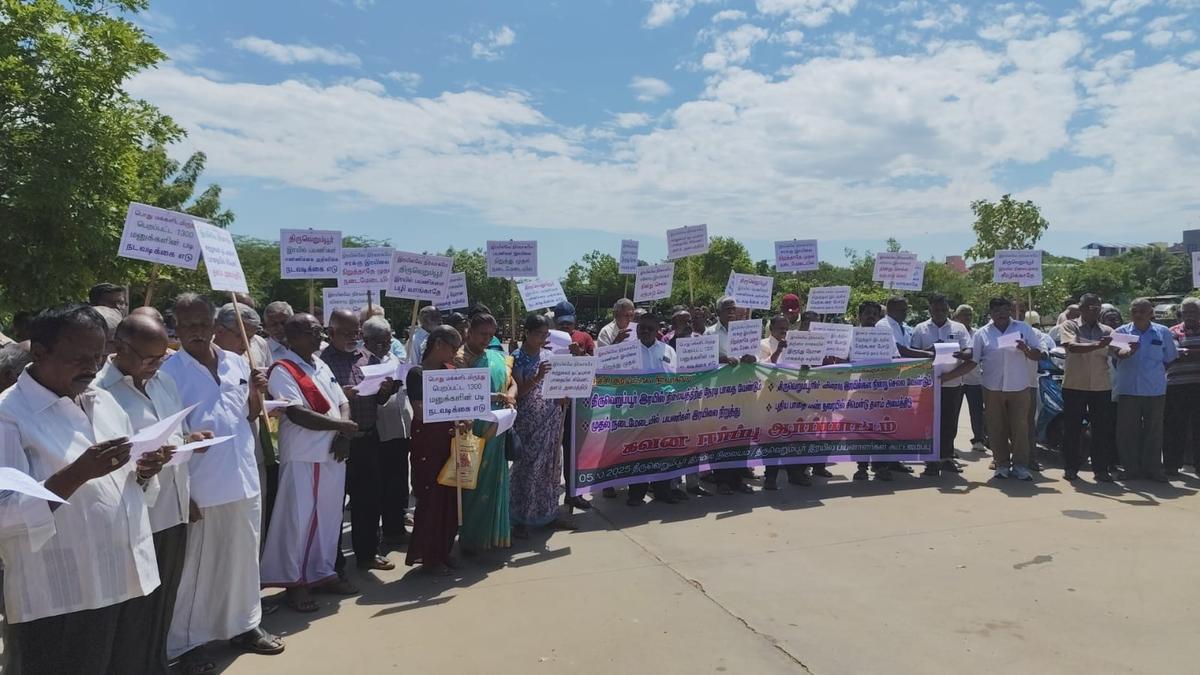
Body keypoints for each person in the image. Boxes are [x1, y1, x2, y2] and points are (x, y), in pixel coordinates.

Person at [0, 304, 169, 674]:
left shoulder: (103, 400)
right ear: (40, 352)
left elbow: (122, 486)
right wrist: (77, 473)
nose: (93, 368)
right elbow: (4, 515)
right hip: (61, 594)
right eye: (79, 358)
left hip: (124, 577)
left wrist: (143, 472)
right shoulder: (8, 416)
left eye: (99, 355)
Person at [159, 293, 284, 661]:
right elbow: (166, 435)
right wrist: (184, 494)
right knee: (196, 572)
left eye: (202, 324)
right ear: (176, 329)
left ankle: (245, 626)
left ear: (215, 326)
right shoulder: (168, 373)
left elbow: (246, 417)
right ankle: (185, 644)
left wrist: (256, 394)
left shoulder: (236, 362)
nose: (196, 332)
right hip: (200, 487)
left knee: (243, 561)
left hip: (243, 477)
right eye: (187, 326)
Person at [95, 313, 213, 673]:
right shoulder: (98, 392)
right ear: (118, 348)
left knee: (164, 602)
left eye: (160, 357)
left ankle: (157, 663)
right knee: (134, 611)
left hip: (172, 509)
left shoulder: (163, 382)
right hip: (134, 519)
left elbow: (172, 433)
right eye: (146, 358)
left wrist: (188, 442)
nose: (153, 366)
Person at [262, 313, 359, 612]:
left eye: (319, 331)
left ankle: (321, 572)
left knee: (329, 519)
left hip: (333, 451)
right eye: (311, 332)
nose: (318, 336)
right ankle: (295, 582)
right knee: (298, 520)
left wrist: (344, 429)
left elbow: (341, 401)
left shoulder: (320, 363)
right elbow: (295, 413)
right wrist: (340, 428)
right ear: (291, 337)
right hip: (305, 454)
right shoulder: (283, 369)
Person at [321, 309, 397, 573]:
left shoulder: (369, 358)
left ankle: (367, 554)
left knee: (369, 500)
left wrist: (384, 391)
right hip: (338, 442)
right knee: (333, 505)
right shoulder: (321, 362)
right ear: (331, 333)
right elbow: (317, 401)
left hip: (368, 438)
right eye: (346, 333)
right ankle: (333, 561)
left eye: (356, 333)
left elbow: (378, 399)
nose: (354, 338)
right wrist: (339, 394)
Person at [941, 297, 1044, 481]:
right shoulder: (982, 334)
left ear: (1010, 311)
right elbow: (973, 360)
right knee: (996, 427)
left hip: (1019, 386)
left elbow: (1039, 354)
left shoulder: (1023, 328)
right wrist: (947, 377)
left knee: (1021, 427)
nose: (1001, 314)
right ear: (991, 314)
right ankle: (1002, 464)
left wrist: (1025, 349)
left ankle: (1020, 465)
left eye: (1004, 310)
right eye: (996, 311)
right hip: (992, 387)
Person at [405, 325, 466, 574]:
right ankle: (429, 557)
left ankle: (443, 550)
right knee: (431, 500)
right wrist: (450, 412)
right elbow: (420, 411)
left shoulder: (451, 371)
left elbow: (462, 402)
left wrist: (464, 416)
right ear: (439, 344)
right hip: (428, 444)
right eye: (453, 347)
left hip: (450, 442)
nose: (456, 353)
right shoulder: (417, 374)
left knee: (450, 500)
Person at [454, 312, 516, 553]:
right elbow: (463, 392)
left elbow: (511, 381)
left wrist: (510, 394)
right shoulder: (460, 359)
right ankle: (473, 538)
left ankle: (494, 535)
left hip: (498, 425)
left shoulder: (496, 356)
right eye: (482, 334)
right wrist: (497, 397)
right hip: (474, 428)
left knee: (497, 480)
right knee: (474, 485)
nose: (486, 340)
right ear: (469, 331)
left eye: (491, 335)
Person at [510, 314, 574, 536]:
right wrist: (537, 376)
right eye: (538, 334)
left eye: (545, 334)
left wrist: (562, 396)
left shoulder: (549, 355)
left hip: (552, 418)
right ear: (526, 333)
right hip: (528, 422)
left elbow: (555, 385)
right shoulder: (517, 357)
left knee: (551, 468)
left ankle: (547, 514)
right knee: (528, 469)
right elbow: (518, 392)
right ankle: (521, 518)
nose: (542, 338)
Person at [1112, 298, 1178, 482]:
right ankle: (1130, 470)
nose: (1138, 314)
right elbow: (1116, 354)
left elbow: (1170, 358)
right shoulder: (1121, 332)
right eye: (1135, 311)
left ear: (1151, 313)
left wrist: (1156, 373)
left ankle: (1153, 470)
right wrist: (1127, 353)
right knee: (1127, 432)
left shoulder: (1162, 332)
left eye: (1143, 311)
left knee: (1154, 432)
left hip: (1155, 390)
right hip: (1128, 390)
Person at [362, 316, 413, 545]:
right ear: (367, 340)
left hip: (401, 427)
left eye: (387, 339)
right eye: (379, 341)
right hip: (379, 430)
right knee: (379, 484)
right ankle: (379, 531)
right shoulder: (362, 361)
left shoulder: (393, 356)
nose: (384, 344)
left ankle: (396, 525)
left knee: (398, 480)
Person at [1058, 294, 1117, 482]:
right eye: (1090, 307)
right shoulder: (1069, 325)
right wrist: (1097, 345)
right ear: (1081, 308)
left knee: (1101, 429)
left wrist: (1129, 351)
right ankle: (1070, 468)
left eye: (1097, 307)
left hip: (1101, 385)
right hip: (1075, 384)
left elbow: (1118, 351)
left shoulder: (1108, 330)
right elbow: (1071, 347)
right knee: (1073, 428)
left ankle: (1101, 470)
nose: (1094, 310)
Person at [909, 293, 969, 477]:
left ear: (949, 309)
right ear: (930, 310)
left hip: (952, 384)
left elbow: (969, 349)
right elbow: (912, 354)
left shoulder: (959, 328)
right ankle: (931, 461)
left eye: (944, 309)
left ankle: (946, 458)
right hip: (927, 386)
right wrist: (930, 351)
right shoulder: (920, 329)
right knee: (929, 424)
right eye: (936, 310)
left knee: (949, 423)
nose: (940, 313)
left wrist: (960, 354)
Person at [626, 312, 682, 505]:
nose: (646, 332)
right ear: (637, 329)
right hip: (638, 412)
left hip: (664, 411)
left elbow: (677, 377)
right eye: (643, 328)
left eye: (651, 328)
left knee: (663, 451)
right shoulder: (627, 352)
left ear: (658, 329)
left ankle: (663, 491)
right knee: (638, 453)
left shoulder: (668, 351)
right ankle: (636, 494)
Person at [706, 297, 756, 494]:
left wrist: (752, 358)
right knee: (721, 438)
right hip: (720, 393)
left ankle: (737, 479)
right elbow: (703, 360)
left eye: (734, 309)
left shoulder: (746, 331)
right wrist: (722, 359)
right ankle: (722, 480)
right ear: (718, 312)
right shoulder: (710, 333)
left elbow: (758, 356)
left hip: (743, 391)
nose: (732, 312)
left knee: (741, 436)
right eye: (727, 309)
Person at [850, 301, 901, 482]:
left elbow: (896, 359)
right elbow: (843, 361)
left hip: (882, 393)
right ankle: (861, 467)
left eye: (875, 314)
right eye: (867, 313)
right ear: (860, 316)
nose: (871, 316)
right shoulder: (851, 337)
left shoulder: (886, 337)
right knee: (861, 432)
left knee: (881, 430)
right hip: (859, 393)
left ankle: (881, 467)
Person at [552, 300, 595, 511]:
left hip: (577, 405)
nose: (565, 327)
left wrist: (581, 355)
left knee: (573, 452)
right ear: (554, 322)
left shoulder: (584, 338)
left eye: (568, 323)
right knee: (550, 453)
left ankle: (573, 493)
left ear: (575, 321)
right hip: (552, 404)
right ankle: (547, 497)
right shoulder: (546, 338)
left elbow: (596, 367)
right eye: (561, 324)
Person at [1165, 297, 1200, 476]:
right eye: (1186, 312)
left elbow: (1184, 353)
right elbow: (1175, 353)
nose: (1189, 315)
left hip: (1198, 385)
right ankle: (1172, 465)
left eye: (1193, 311)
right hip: (1177, 385)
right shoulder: (1173, 331)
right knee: (1175, 426)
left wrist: (1187, 352)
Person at [952, 304, 988, 453]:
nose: (967, 317)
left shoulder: (978, 334)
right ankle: (949, 442)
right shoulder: (953, 332)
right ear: (956, 316)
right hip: (954, 379)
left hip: (974, 379)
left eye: (969, 315)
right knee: (953, 412)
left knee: (977, 411)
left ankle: (978, 439)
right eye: (964, 314)